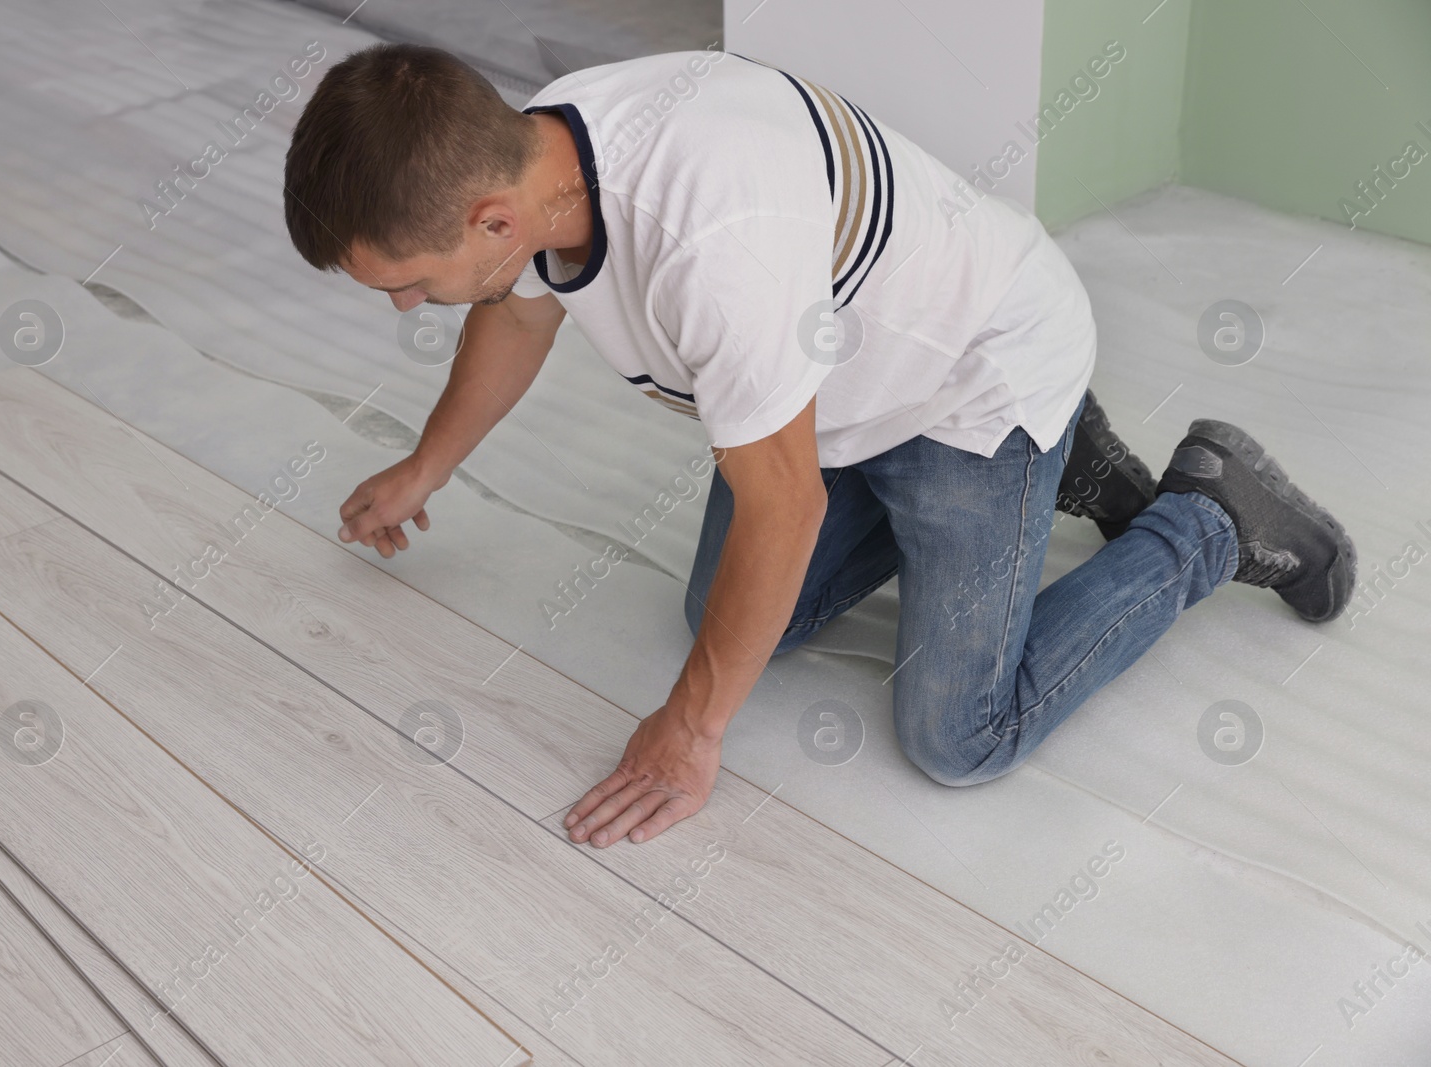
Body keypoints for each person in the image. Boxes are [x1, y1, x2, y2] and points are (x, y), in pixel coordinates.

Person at [282, 43, 1356, 849]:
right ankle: (1060, 464)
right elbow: (518, 312)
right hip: (846, 389)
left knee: (960, 738)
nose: (406, 308)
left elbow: (782, 507)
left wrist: (691, 730)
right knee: (732, 619)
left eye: (408, 282)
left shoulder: (712, 241)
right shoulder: (541, 148)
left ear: (488, 219)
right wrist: (426, 466)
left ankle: (1208, 516)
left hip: (971, 378)